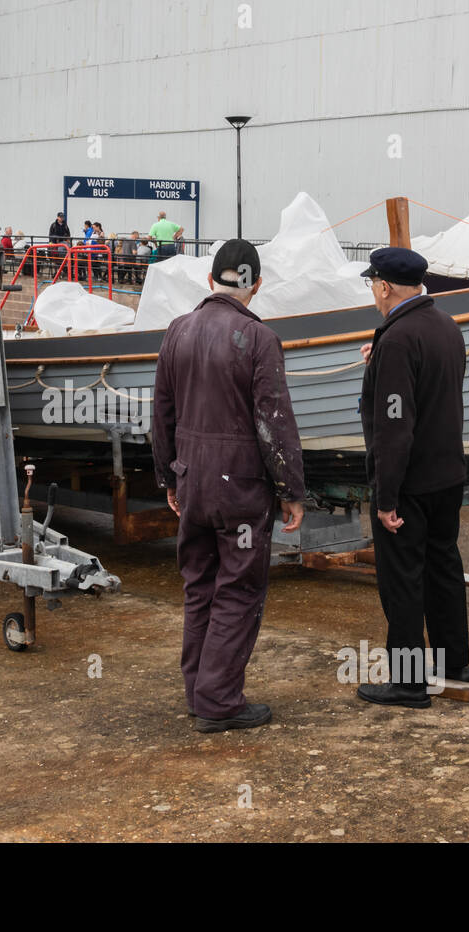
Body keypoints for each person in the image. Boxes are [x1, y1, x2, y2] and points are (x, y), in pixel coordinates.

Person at [153, 239, 306, 733]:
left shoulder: (177, 332)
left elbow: (161, 415)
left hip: (192, 481)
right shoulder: (258, 338)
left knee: (199, 586)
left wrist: (167, 475)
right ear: (255, 285)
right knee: (238, 588)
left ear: (210, 279)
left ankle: (199, 692)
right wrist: (291, 489)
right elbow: (274, 423)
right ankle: (219, 701)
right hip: (240, 489)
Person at [356, 247, 469, 708]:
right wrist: (380, 361)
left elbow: (394, 426)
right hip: (448, 474)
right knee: (443, 567)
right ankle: (453, 664)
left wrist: (386, 497)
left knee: (402, 577)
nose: (373, 292)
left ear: (384, 286)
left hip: (411, 481)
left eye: (373, 285)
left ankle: (407, 682)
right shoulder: (446, 327)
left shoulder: (399, 339)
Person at [47, 211, 70, 279]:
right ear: (57, 217)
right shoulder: (53, 225)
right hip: (55, 243)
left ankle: (63, 269)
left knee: (64, 251)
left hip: (63, 242)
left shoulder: (65, 225)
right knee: (56, 255)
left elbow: (68, 234)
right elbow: (50, 235)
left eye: (62, 217)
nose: (62, 218)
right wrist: (52, 242)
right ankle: (62, 270)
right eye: (60, 217)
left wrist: (66, 240)